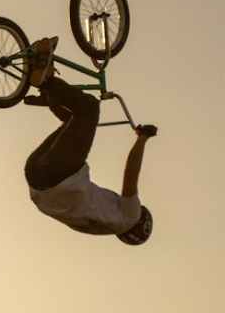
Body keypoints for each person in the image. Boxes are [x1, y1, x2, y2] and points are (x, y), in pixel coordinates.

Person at [23, 36, 156, 244]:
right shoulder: (104, 225)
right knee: (71, 120)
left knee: (89, 108)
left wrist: (143, 138)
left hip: (61, 175)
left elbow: (131, 177)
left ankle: (46, 82)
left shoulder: (130, 218)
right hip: (35, 179)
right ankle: (49, 92)